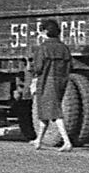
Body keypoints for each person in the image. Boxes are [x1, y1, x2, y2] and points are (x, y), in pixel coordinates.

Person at [30, 19, 75, 152]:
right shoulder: (64, 48)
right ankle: (38, 140)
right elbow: (70, 66)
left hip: (46, 82)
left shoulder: (43, 48)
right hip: (61, 81)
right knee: (45, 111)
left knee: (54, 112)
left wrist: (31, 71)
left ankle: (67, 142)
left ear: (45, 31)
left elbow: (38, 68)